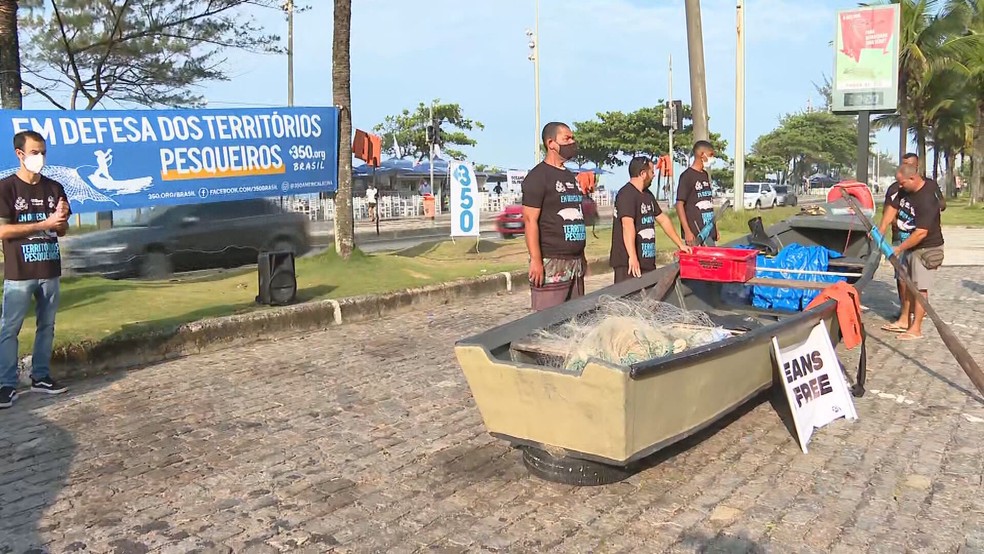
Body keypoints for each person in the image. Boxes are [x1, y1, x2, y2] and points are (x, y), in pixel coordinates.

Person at [0, 131, 72, 409]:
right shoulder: (6, 188)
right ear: (20, 154)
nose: (39, 157)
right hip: (19, 273)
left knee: (47, 326)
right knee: (9, 328)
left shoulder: (54, 188)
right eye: (34, 152)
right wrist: (45, 223)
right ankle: (6, 384)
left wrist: (60, 220)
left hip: (49, 268)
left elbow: (62, 230)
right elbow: (3, 230)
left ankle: (40, 377)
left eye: (42, 152)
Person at [522, 122, 586, 311]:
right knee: (548, 321)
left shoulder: (570, 177)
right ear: (551, 143)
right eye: (567, 138)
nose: (572, 142)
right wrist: (535, 260)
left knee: (576, 319)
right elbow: (530, 220)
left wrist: (581, 255)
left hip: (575, 263)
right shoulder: (537, 177)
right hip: (551, 261)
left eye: (572, 138)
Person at [877, 153, 946, 321]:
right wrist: (882, 228)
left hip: (925, 245)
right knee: (904, 281)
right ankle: (904, 317)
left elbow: (922, 231)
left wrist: (899, 248)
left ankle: (916, 325)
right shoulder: (901, 189)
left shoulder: (927, 194)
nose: (900, 186)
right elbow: (891, 207)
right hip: (905, 241)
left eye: (903, 182)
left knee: (919, 286)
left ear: (914, 173)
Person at [610, 157, 692, 283]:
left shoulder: (647, 195)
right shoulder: (626, 195)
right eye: (652, 172)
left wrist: (680, 244)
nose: (654, 175)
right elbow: (627, 226)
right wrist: (632, 256)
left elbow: (663, 220)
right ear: (643, 174)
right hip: (629, 264)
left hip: (647, 262)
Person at [676, 141, 719, 246]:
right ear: (702, 155)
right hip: (696, 234)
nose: (712, 158)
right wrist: (687, 231)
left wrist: (715, 228)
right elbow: (679, 204)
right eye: (711, 155)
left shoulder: (704, 175)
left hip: (709, 231)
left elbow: (709, 203)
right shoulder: (687, 176)